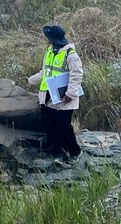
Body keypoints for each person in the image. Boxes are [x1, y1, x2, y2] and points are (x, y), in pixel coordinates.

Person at [27, 24, 84, 160]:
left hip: (63, 96)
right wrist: (32, 80)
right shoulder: (50, 51)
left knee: (63, 126)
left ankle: (74, 151)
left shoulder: (71, 54)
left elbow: (77, 75)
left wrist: (70, 93)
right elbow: (45, 71)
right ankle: (56, 150)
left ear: (52, 39)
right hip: (47, 94)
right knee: (50, 123)